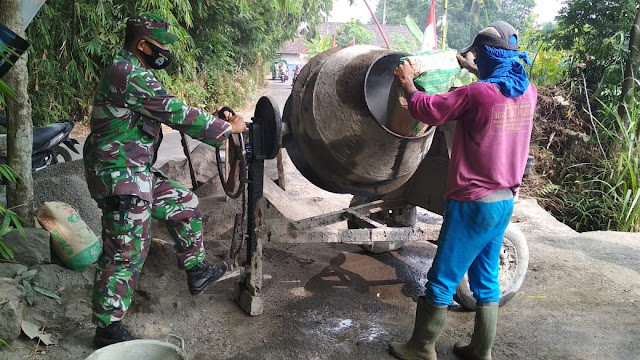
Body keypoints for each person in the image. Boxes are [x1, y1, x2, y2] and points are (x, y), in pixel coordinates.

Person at [83, 13, 246, 348]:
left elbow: (165, 111)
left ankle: (197, 269)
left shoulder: (134, 72)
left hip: (134, 172)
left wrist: (212, 120)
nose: (165, 52)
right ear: (142, 44)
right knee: (125, 252)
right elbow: (174, 111)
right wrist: (228, 129)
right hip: (119, 174)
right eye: (160, 45)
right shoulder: (126, 72)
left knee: (183, 202)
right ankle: (107, 330)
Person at [389, 21, 537, 360]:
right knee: (486, 278)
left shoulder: (476, 94)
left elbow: (429, 109)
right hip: (504, 202)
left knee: (443, 276)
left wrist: (408, 85)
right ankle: (480, 349)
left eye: (478, 56)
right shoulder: (528, 91)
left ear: (486, 57)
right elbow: (495, 90)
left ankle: (421, 346)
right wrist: (473, 68)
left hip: (473, 201)